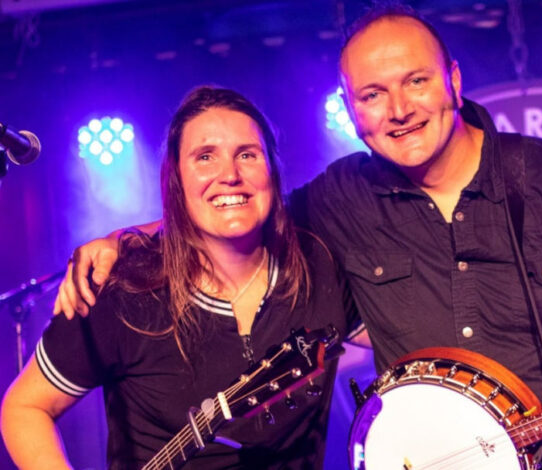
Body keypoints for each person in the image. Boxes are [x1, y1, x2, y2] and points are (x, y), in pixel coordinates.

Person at [49, 6, 542, 469]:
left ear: (452, 81)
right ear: (353, 111)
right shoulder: (343, 198)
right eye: (371, 95)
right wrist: (128, 236)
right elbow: (236, 207)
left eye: (416, 82)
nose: (398, 110)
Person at [1, 86, 351, 469]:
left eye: (247, 155)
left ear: (272, 170)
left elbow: (395, 330)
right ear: (176, 181)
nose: (230, 175)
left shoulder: (319, 267)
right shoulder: (125, 293)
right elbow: (25, 407)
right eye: (205, 157)